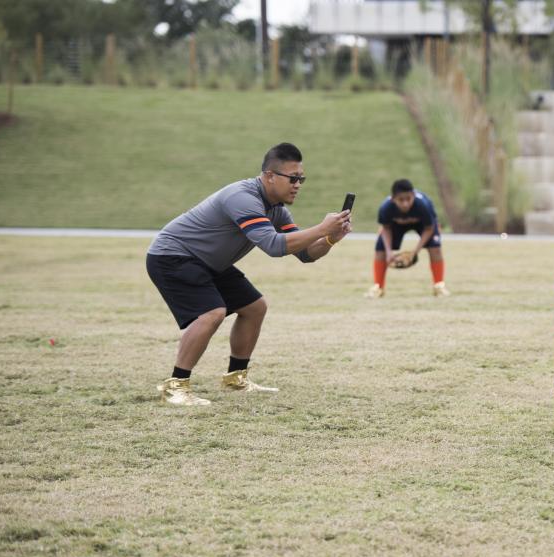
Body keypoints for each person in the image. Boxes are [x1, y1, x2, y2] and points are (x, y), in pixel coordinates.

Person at [146, 142, 352, 406]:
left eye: (301, 178)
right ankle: (175, 385)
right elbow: (274, 246)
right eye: (293, 178)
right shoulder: (242, 197)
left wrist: (331, 237)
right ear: (269, 176)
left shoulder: (276, 209)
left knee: (254, 307)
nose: (298, 184)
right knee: (212, 312)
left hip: (207, 262)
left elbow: (305, 254)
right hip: (172, 256)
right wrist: (321, 227)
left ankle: (235, 378)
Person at [365, 179, 449, 298]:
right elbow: (386, 228)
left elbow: (429, 228)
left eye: (408, 199)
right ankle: (378, 288)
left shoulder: (422, 205)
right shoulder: (386, 207)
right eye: (401, 200)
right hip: (396, 225)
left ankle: (439, 286)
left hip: (423, 225)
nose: (405, 203)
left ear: (413, 195)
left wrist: (415, 252)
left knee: (435, 248)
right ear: (393, 198)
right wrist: (389, 252)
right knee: (380, 250)